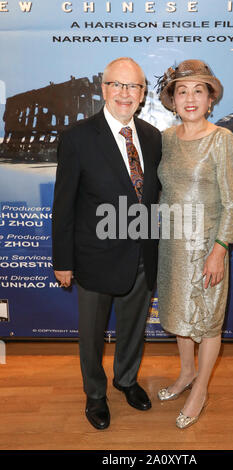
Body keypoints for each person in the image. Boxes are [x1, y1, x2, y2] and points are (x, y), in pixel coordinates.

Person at [52, 57, 161, 430]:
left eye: (134, 87)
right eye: (118, 85)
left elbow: (152, 199)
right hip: (94, 258)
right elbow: (63, 206)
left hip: (142, 256)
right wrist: (63, 261)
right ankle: (95, 394)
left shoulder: (151, 136)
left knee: (133, 329)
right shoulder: (77, 138)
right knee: (92, 336)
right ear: (103, 88)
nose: (125, 94)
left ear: (143, 94)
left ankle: (126, 380)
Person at [156, 60, 233, 429]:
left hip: (208, 246)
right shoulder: (166, 139)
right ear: (172, 100)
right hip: (172, 245)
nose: (189, 98)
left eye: (198, 90)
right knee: (179, 316)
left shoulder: (222, 139)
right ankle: (186, 372)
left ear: (211, 98)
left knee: (207, 321)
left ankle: (201, 389)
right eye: (182, 91)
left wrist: (219, 250)